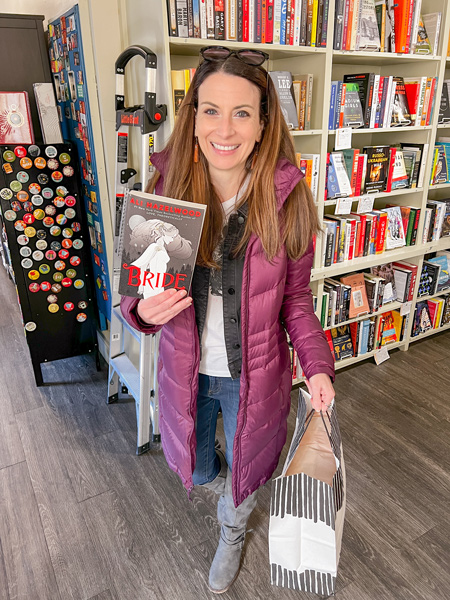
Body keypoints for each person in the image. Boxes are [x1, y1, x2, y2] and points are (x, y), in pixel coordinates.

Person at [120, 46, 335, 594]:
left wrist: (318, 366)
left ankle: (234, 531)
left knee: (244, 477)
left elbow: (296, 302)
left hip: (253, 377)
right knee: (195, 468)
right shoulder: (165, 188)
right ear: (192, 119)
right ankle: (219, 476)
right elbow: (137, 297)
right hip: (185, 371)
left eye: (242, 112)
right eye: (210, 110)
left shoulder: (287, 201)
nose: (225, 128)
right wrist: (142, 312)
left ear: (263, 125)